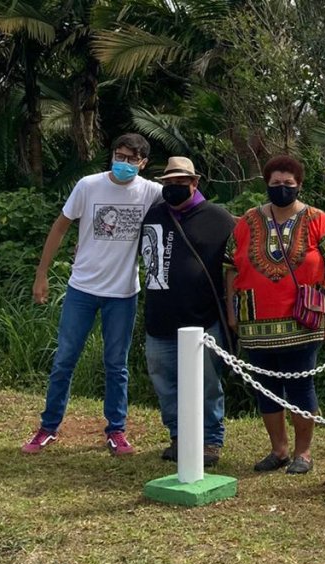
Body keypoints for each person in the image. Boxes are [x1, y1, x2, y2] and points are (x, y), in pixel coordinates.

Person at [23, 134, 163, 455]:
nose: (123, 163)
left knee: (116, 364)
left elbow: (192, 204)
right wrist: (41, 274)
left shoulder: (151, 192)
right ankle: (48, 427)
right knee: (64, 359)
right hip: (82, 289)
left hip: (123, 293)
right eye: (119, 156)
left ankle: (116, 430)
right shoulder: (88, 186)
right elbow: (60, 226)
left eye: (131, 159)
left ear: (143, 163)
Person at [224, 154, 325, 475]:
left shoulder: (318, 219)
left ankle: (303, 452)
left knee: (300, 386)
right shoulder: (247, 221)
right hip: (255, 323)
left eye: (288, 183)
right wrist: (232, 311)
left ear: (299, 185)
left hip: (302, 321)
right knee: (265, 387)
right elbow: (230, 268)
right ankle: (278, 450)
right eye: (275, 183)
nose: (282, 187)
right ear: (266, 184)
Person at [141, 157, 235, 467]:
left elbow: (237, 265)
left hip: (203, 319)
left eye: (180, 183)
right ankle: (179, 436)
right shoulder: (154, 214)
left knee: (207, 384)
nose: (173, 188)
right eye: (168, 183)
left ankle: (210, 441)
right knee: (164, 382)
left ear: (194, 183)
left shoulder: (218, 218)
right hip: (159, 319)